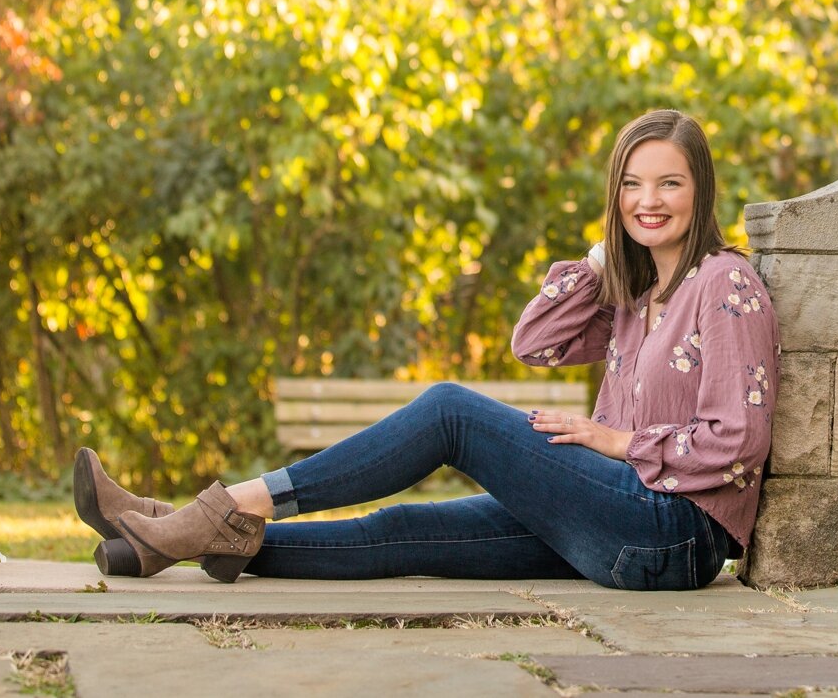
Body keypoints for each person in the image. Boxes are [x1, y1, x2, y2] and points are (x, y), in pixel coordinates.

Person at [69, 108, 779, 591]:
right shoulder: (630, 294)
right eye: (630, 183)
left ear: (700, 189)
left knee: (450, 412)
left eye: (668, 183)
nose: (646, 199)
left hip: (671, 532)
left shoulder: (726, 283)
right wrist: (600, 262)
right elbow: (535, 340)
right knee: (404, 531)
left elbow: (737, 442)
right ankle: (170, 532)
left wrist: (613, 438)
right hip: (613, 517)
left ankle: (235, 501)